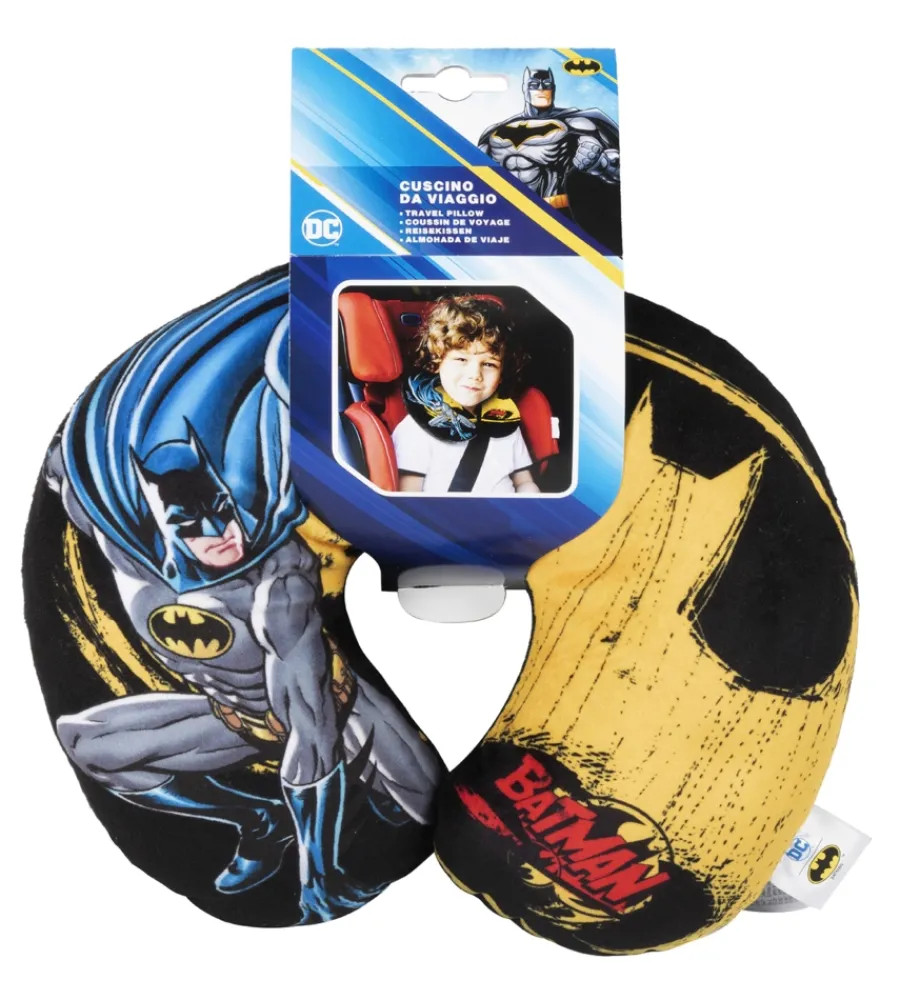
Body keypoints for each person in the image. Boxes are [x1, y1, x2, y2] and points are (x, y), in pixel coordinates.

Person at [47, 271, 443, 924]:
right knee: (87, 742)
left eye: (221, 510)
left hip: (333, 708)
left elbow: (311, 732)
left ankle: (318, 856)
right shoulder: (125, 552)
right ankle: (256, 820)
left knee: (422, 804)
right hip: (231, 717)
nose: (220, 532)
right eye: (193, 523)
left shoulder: (277, 585)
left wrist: (322, 876)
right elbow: (69, 478)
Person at [393, 297, 540, 495]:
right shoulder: (415, 430)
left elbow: (524, 482)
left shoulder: (505, 423)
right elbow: (408, 496)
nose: (475, 375)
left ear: (501, 375)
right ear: (437, 361)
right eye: (461, 359)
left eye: (489, 364)